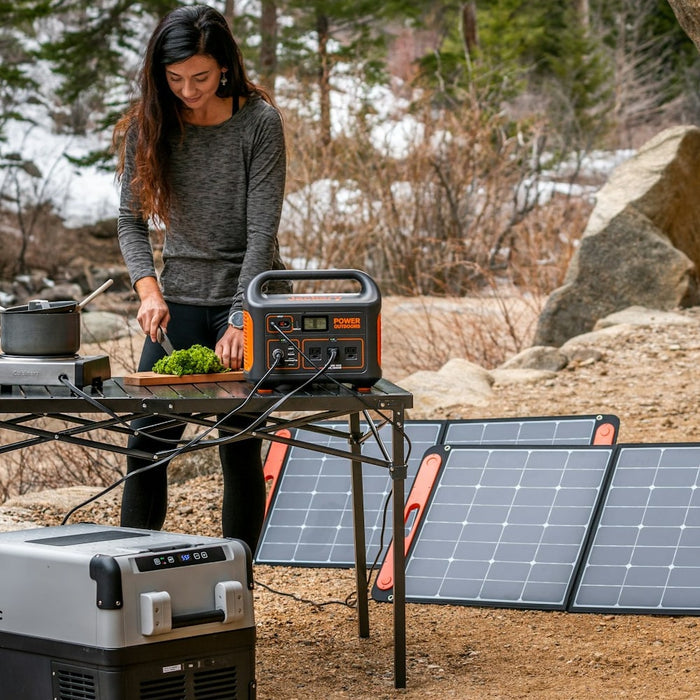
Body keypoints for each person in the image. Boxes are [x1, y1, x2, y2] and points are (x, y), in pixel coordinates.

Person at [113, 4, 288, 552]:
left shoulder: (259, 123)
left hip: (251, 296)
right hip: (182, 297)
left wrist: (241, 318)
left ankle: (239, 588)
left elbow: (262, 234)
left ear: (225, 69)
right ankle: (131, 577)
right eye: (174, 78)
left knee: (239, 443)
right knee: (147, 442)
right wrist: (148, 290)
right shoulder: (151, 124)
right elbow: (130, 222)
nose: (188, 89)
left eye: (201, 77)